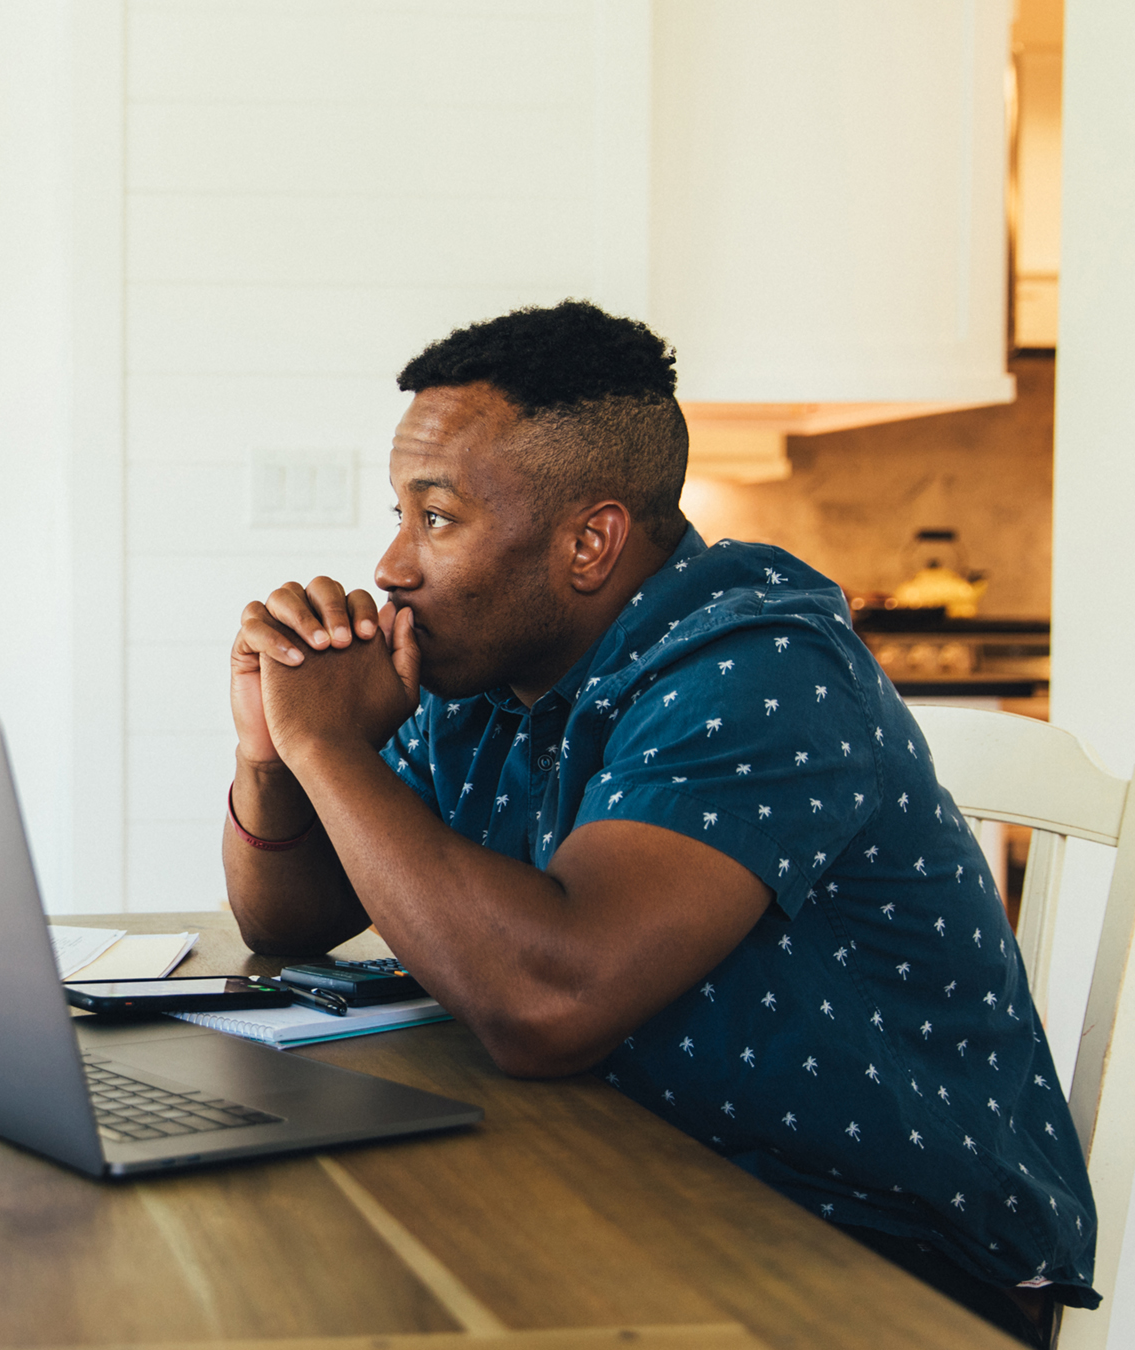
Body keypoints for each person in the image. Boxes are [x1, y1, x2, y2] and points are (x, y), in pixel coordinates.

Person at [224, 300, 1098, 1347]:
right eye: (401, 516)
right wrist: (273, 756)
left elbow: (548, 1002)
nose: (393, 566)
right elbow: (290, 921)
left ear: (590, 540)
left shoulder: (759, 668)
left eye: (437, 518)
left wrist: (330, 750)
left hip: (884, 1256)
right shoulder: (485, 676)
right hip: (633, 1169)